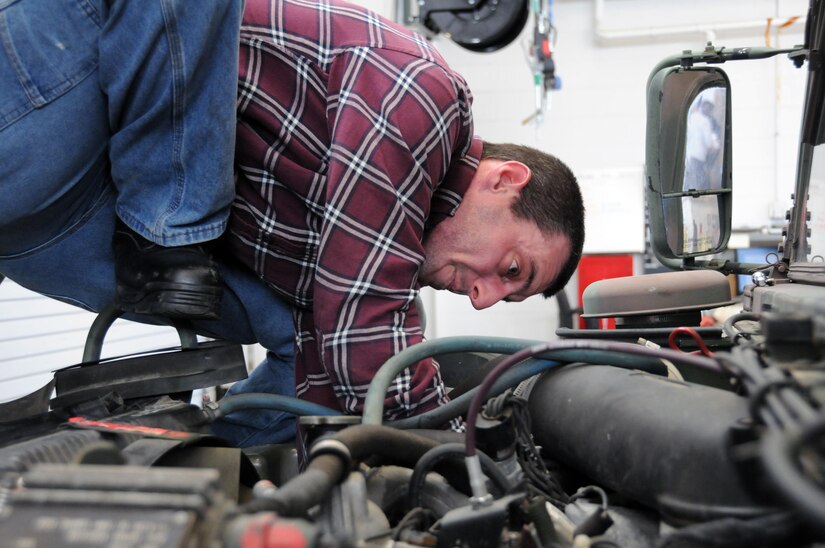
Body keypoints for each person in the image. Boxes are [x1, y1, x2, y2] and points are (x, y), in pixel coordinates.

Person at [0, 0, 585, 448]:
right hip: (53, 97)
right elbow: (367, 330)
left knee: (312, 352)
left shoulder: (372, 244)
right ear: (503, 179)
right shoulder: (423, 92)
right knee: (360, 342)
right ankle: (168, 227)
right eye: (512, 269)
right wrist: (461, 439)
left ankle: (186, 466)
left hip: (50, 219)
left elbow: (349, 352)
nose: (484, 300)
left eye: (508, 296)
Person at [0, 0, 243, 321]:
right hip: (36, 151)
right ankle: (167, 226)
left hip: (51, 205)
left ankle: (168, 241)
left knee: (290, 327)